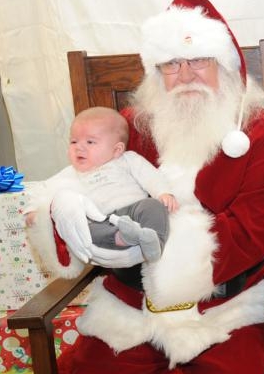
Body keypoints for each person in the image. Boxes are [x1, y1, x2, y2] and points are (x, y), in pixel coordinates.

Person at [27, 0, 264, 374]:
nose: (185, 76)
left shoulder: (261, 134)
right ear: (156, 73)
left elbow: (252, 234)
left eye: (199, 61)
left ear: (225, 66)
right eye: (172, 65)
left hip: (224, 304)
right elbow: (81, 186)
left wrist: (154, 249)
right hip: (132, 303)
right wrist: (58, 215)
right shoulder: (129, 128)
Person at [26, 106, 178, 263]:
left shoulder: (127, 160)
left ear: (117, 149)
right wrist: (34, 209)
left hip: (135, 209)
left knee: (153, 206)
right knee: (84, 231)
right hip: (103, 219)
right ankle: (121, 238)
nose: (79, 147)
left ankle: (154, 243)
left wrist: (163, 192)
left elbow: (150, 175)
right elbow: (45, 189)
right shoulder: (70, 173)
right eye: (73, 141)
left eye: (90, 141)